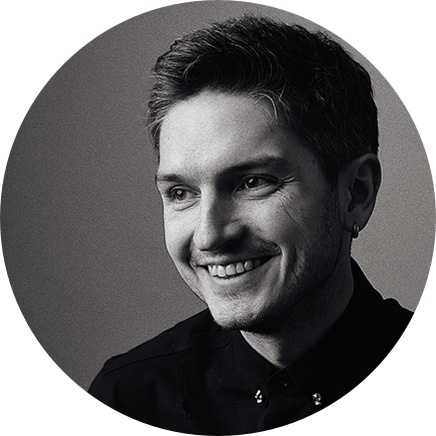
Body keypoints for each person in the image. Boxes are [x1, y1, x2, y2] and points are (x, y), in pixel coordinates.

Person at [89, 15, 412, 434]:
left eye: (252, 183)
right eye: (181, 193)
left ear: (356, 193)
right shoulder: (128, 401)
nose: (209, 235)